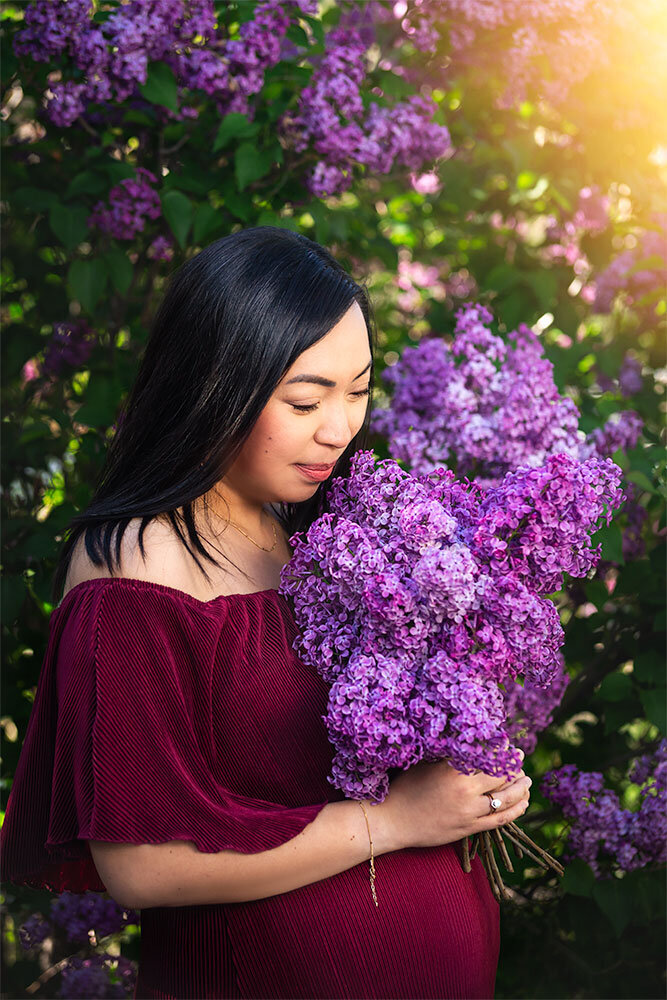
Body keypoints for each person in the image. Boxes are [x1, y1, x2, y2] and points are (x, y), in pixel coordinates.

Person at [0, 227, 531, 1000]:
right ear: (215, 382)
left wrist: (466, 761)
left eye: (358, 390)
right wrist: (398, 823)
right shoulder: (136, 565)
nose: (339, 427)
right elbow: (141, 867)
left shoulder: (316, 533)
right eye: (307, 399)